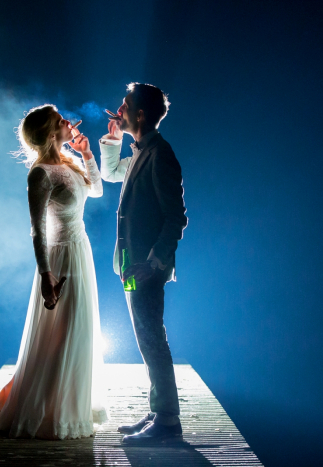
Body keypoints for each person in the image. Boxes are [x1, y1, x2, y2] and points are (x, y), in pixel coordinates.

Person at [0, 104, 108, 439]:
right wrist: (46, 276)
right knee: (60, 336)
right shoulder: (40, 173)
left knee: (78, 334)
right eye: (60, 121)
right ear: (48, 132)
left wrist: (86, 153)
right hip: (59, 259)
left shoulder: (68, 163)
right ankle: (39, 409)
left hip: (80, 253)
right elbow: (37, 230)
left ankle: (64, 406)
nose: (67, 123)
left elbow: (97, 190)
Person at [99, 83, 188, 445]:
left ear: (139, 114)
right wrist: (113, 140)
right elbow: (110, 174)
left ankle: (167, 420)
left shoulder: (160, 154)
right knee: (144, 334)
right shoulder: (141, 151)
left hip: (145, 269)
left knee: (152, 337)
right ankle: (157, 411)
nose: (118, 109)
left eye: (125, 105)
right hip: (130, 266)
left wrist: (153, 263)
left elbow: (176, 218)